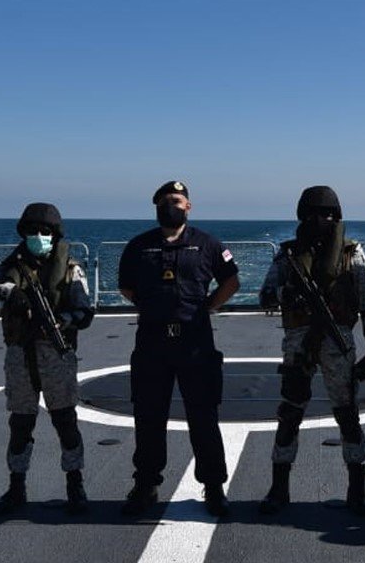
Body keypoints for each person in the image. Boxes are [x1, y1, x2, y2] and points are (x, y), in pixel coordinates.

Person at [118, 181, 240, 518]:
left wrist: (208, 307)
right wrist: (152, 307)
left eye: (176, 200)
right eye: (164, 201)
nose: (170, 205)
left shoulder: (208, 244)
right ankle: (146, 485)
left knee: (203, 417)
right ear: (156, 208)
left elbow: (231, 280)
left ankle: (213, 487)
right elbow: (126, 287)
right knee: (148, 417)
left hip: (195, 343)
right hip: (152, 343)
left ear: (188, 206)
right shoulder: (139, 246)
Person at [257, 186, 365, 516]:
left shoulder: (352, 253)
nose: (319, 220)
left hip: (338, 342)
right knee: (290, 414)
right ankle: (279, 488)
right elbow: (265, 294)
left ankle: (357, 490)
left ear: (336, 217)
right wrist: (287, 293)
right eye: (312, 214)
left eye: (326, 214)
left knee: (347, 415)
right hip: (298, 343)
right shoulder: (287, 255)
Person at [0, 203, 96, 516]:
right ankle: (16, 487)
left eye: (45, 232)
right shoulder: (11, 266)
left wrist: (62, 321)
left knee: (65, 420)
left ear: (55, 235)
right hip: (20, 354)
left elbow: (84, 312)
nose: (38, 236)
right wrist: (9, 292)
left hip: (56, 354)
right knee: (20, 423)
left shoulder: (70, 269)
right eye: (32, 231)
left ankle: (75, 485)